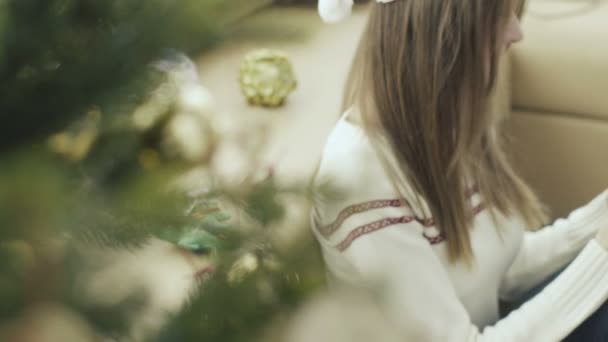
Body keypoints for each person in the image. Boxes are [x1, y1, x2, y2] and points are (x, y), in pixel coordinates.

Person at [311, 0, 608, 340]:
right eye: (499, 17)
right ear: (444, 36)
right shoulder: (359, 179)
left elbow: (503, 270)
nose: (516, 32)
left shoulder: (443, 127)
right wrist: (602, 258)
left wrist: (600, 218)